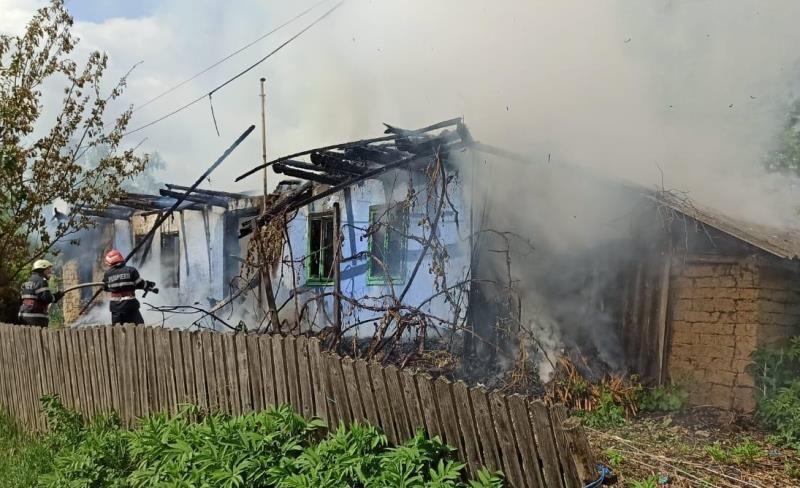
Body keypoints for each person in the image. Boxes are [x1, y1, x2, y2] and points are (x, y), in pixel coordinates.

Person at [102, 249, 156, 325]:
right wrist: (148, 284)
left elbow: (105, 288)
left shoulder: (107, 274)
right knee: (138, 329)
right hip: (130, 307)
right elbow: (140, 284)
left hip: (115, 308)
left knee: (117, 330)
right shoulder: (131, 270)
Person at [18, 260, 63, 327]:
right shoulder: (41, 281)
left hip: (23, 316)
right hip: (36, 317)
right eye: (48, 269)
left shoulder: (28, 281)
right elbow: (47, 298)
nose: (50, 271)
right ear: (42, 270)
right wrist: (57, 296)